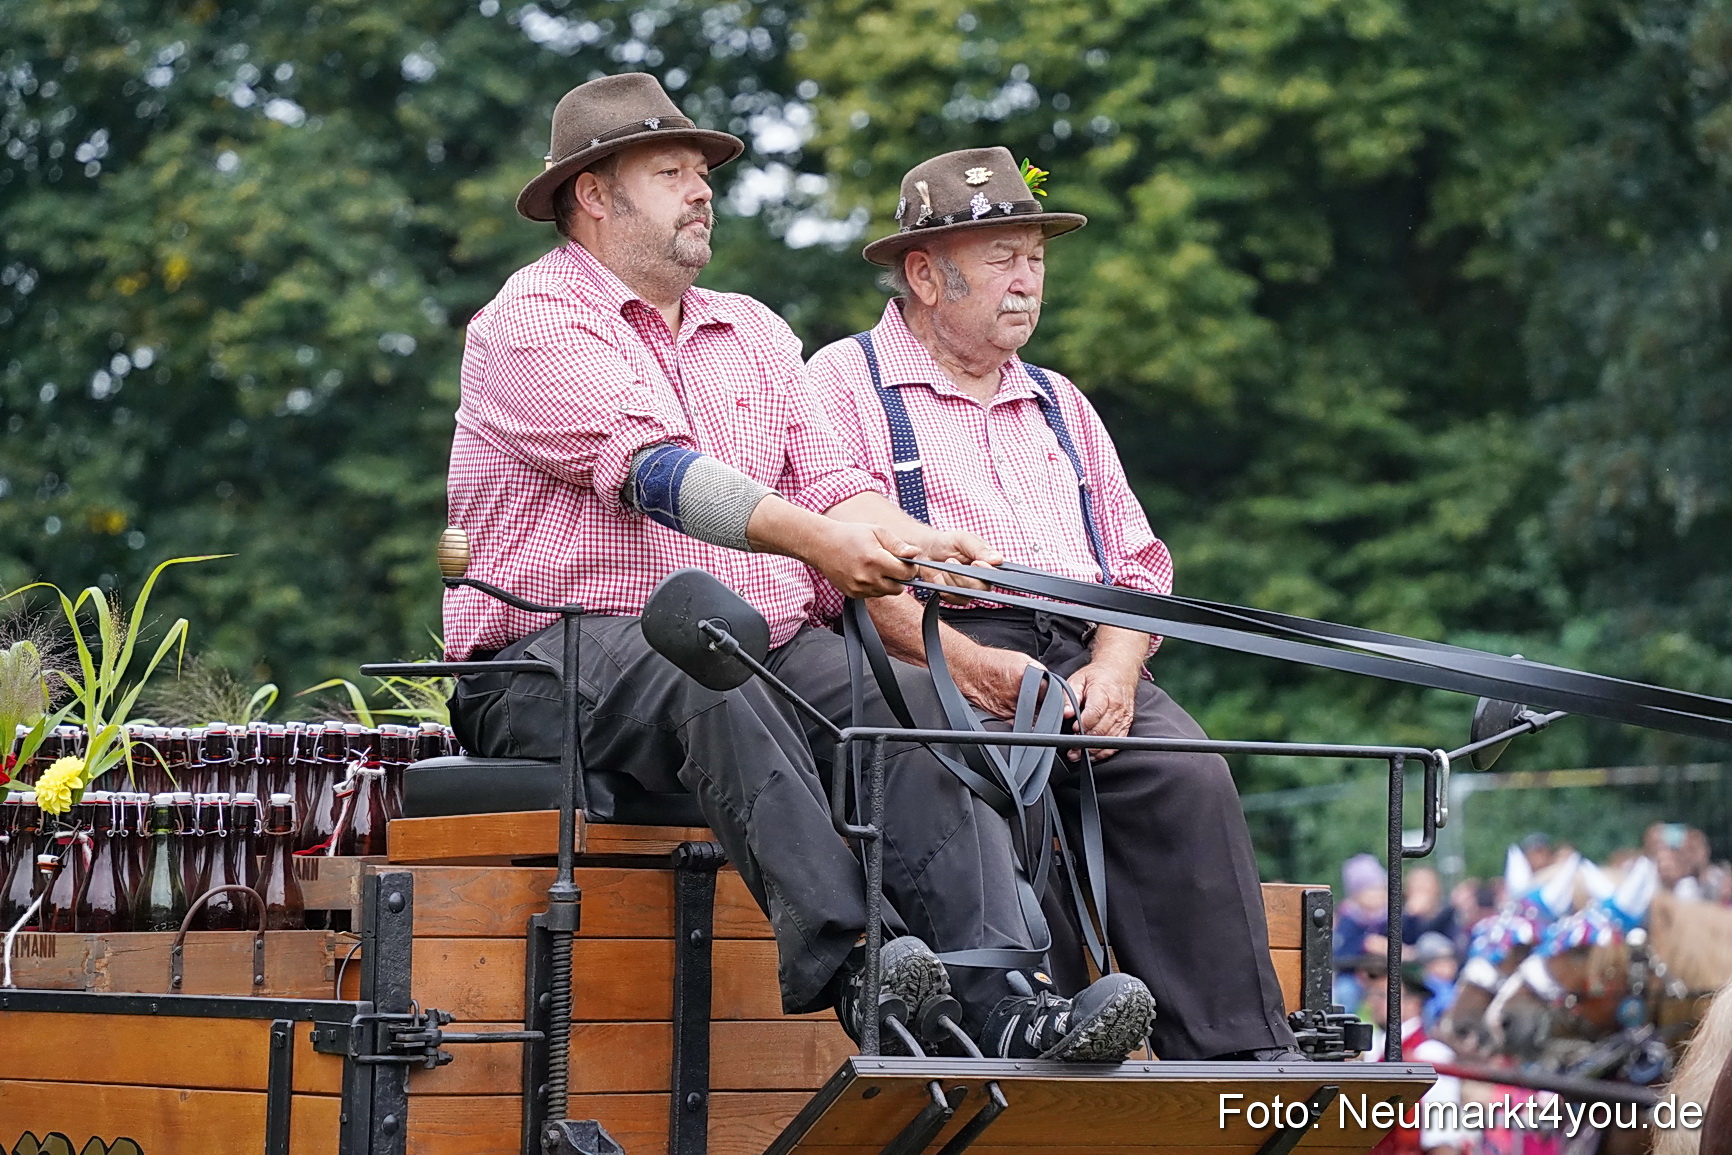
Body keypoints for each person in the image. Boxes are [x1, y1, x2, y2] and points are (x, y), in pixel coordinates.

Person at [444, 77, 1154, 1062]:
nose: (702, 190)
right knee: (709, 665)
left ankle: (1005, 999)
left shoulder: (754, 330)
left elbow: (831, 483)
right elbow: (655, 473)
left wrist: (911, 538)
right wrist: (822, 545)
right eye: (671, 172)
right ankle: (856, 962)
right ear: (594, 195)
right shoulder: (532, 320)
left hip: (751, 640)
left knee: (917, 705)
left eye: (702, 173)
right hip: (549, 657)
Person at [800, 147, 1298, 1061]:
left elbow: (1136, 569)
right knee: (993, 782)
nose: (1027, 279)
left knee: (1187, 774)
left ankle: (1238, 1054)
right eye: (1002, 258)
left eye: (1035, 258)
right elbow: (849, 575)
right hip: (931, 652)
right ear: (925, 274)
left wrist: (1116, 669)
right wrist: (977, 670)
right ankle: (1045, 1031)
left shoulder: (1059, 400)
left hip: (1083, 648)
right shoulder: (842, 381)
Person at [1367, 963, 1468, 1155]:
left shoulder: (1432, 1054)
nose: (1373, 1003)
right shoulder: (1375, 1049)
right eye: (1371, 995)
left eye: (1382, 995)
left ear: (1413, 1002)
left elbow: (1442, 1136)